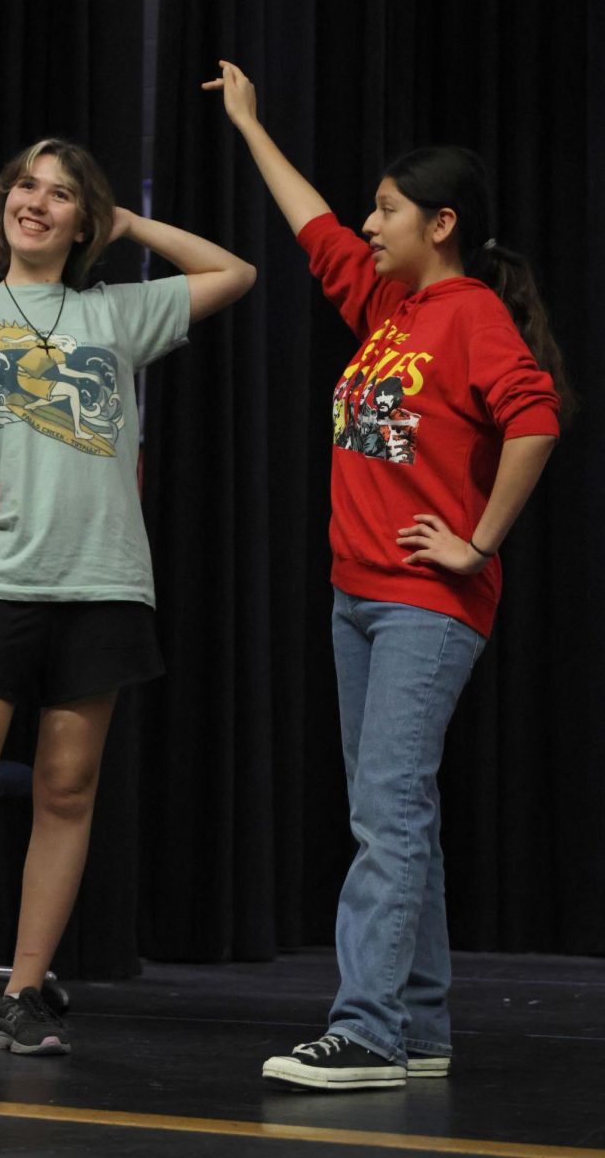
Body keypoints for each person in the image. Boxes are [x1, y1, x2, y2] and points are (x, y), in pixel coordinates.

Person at [0, 137, 256, 1069]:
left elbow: (235, 271)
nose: (36, 202)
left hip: (104, 584)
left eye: (62, 195)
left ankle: (23, 994)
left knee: (67, 793)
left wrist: (131, 223)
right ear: (3, 205)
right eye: (25, 185)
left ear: (84, 222)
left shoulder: (113, 313)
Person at [204, 62, 569, 1091]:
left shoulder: (468, 315)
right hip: (354, 595)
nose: (369, 224)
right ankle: (418, 1025)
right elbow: (312, 224)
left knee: (387, 811)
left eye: (388, 209)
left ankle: (362, 1028)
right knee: (395, 808)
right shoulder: (387, 311)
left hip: (425, 603)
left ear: (439, 224)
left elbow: (533, 419)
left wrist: (477, 542)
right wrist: (247, 124)